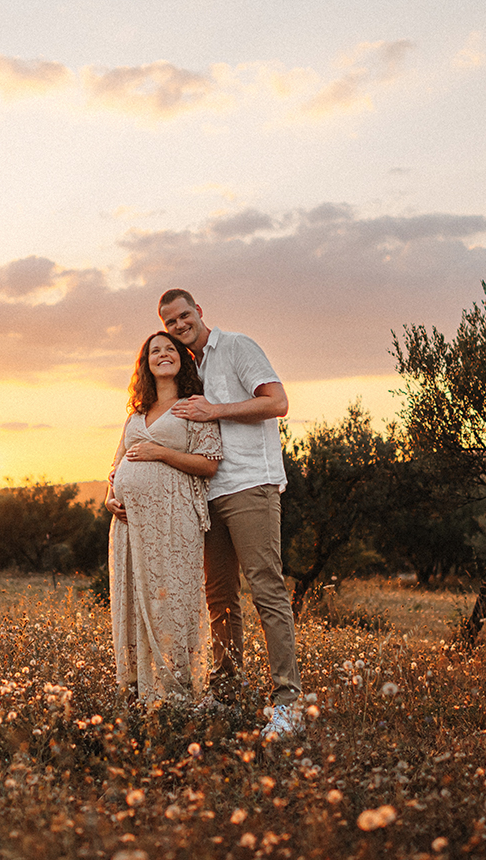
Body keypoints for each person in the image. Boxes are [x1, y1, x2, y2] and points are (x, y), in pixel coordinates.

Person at [159, 288, 303, 738]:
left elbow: (277, 403)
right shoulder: (187, 368)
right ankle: (225, 694)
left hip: (249, 485)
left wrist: (214, 411)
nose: (180, 326)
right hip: (207, 492)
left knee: (267, 590)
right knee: (219, 597)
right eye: (170, 323)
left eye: (184, 317)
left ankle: (288, 705)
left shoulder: (237, 346)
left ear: (199, 312)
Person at [103, 331, 223, 706]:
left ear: (182, 359)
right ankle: (140, 689)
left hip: (174, 520)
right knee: (135, 599)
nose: (163, 354)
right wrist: (110, 496)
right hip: (128, 525)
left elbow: (208, 464)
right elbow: (116, 463)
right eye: (155, 351)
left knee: (172, 598)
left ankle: (178, 690)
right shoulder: (136, 413)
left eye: (170, 348)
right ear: (146, 363)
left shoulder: (193, 407)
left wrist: (159, 452)